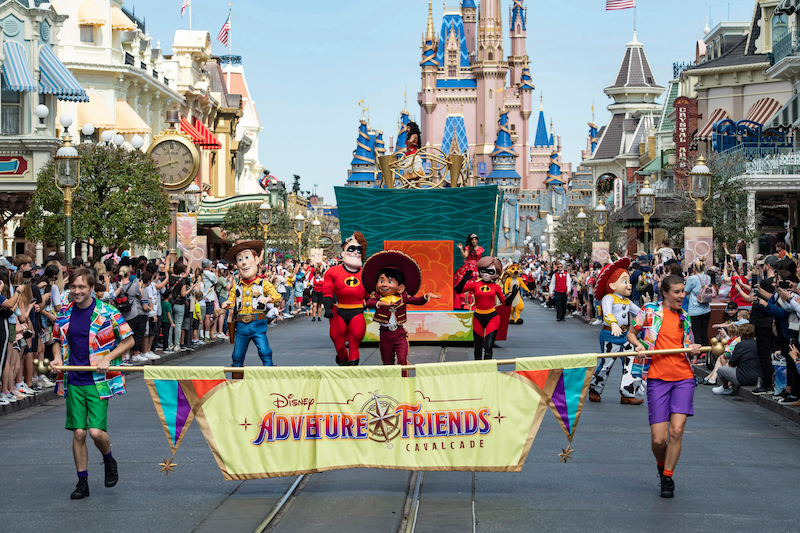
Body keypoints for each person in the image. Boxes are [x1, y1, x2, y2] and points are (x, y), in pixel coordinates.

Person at [51, 268, 134, 499]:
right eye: (73, 287)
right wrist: (57, 358)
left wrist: (108, 357)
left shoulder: (107, 312)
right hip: (75, 379)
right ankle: (82, 482)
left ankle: (109, 459)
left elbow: (129, 340)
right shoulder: (65, 312)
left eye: (82, 287)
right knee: (79, 432)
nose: (76, 291)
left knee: (96, 433)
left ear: (91, 288)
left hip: (98, 381)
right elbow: (56, 339)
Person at [628, 274, 702, 499]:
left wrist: (693, 348)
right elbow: (631, 333)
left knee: (676, 431)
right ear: (666, 293)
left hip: (683, 378)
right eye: (678, 292)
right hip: (657, 378)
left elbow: (688, 344)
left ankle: (667, 478)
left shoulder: (685, 317)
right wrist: (639, 345)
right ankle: (661, 465)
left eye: (683, 292)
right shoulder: (649, 311)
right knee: (659, 440)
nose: (682, 295)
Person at [363, 251, 440, 375]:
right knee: (387, 364)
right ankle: (391, 385)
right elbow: (369, 302)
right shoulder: (376, 296)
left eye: (390, 281)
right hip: (385, 335)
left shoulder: (402, 296)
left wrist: (426, 296)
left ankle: (404, 384)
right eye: (381, 281)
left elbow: (416, 300)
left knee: (403, 361)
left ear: (400, 288)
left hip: (399, 333)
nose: (384, 285)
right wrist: (379, 304)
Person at [589, 257, 645, 405]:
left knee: (630, 363)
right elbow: (606, 313)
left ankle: (627, 393)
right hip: (610, 335)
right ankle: (595, 389)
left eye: (629, 282)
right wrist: (613, 323)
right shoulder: (609, 298)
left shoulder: (627, 301)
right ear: (612, 284)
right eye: (624, 281)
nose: (629, 285)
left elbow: (640, 313)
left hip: (626, 336)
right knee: (606, 364)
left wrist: (652, 314)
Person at [222, 240, 280, 375]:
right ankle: (236, 382)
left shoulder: (263, 283)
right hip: (241, 326)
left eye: (247, 258)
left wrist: (269, 298)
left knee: (265, 352)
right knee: (237, 356)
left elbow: (276, 295)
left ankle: (269, 378)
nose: (243, 262)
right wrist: (226, 304)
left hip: (258, 324)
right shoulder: (237, 286)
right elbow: (231, 300)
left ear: (256, 260)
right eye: (240, 259)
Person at [455, 257, 517, 360]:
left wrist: (512, 295)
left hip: (492, 317)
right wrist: (464, 280)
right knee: (477, 349)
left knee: (488, 348)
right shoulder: (475, 285)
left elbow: (505, 303)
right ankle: (478, 372)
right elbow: (458, 290)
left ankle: (488, 371)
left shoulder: (496, 287)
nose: (487, 274)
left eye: (490, 271)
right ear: (480, 270)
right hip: (478, 317)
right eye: (484, 270)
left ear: (496, 274)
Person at [323, 232, 370, 366]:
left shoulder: (365, 273)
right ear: (343, 253)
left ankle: (352, 372)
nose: (355, 252)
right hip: (340, 310)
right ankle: (343, 360)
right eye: (351, 249)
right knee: (338, 344)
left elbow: (370, 293)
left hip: (357, 311)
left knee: (355, 343)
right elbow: (327, 291)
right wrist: (327, 306)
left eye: (358, 250)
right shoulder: (333, 272)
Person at [713, 324, 761, 395]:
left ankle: (725, 387)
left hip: (743, 377)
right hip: (758, 377)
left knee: (721, 370)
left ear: (740, 334)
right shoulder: (758, 343)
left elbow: (732, 363)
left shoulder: (740, 345)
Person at [684, 257, 713, 355]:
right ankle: (705, 354)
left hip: (694, 309)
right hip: (706, 309)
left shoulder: (692, 278)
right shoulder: (708, 277)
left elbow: (686, 292)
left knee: (697, 333)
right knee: (704, 332)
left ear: (694, 268)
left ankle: (699, 354)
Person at [453, 234, 483, 310]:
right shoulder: (468, 248)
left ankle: (476, 304)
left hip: (477, 268)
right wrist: (461, 249)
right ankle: (465, 303)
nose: (474, 241)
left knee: (477, 284)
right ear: (470, 240)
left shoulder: (480, 249)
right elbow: (464, 256)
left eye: (475, 239)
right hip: (468, 267)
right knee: (465, 283)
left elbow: (480, 259)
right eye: (472, 239)